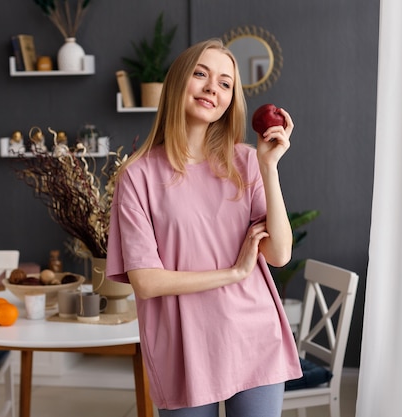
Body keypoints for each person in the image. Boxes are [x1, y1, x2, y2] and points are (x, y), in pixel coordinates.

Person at [106, 38, 302, 417]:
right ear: (178, 82)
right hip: (182, 345)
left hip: (253, 334)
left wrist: (269, 167)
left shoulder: (247, 161)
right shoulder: (137, 175)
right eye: (201, 74)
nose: (214, 87)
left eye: (226, 83)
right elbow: (146, 280)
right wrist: (235, 272)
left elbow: (279, 254)